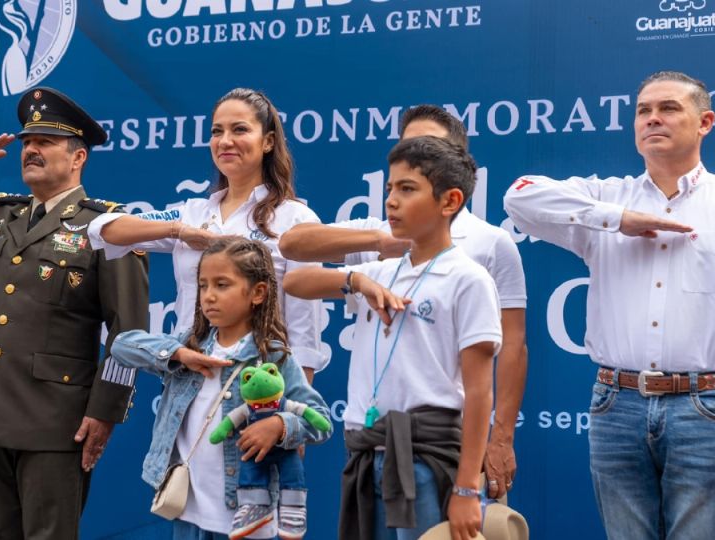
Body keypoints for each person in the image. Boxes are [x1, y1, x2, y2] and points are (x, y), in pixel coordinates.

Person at [0, 87, 150, 539]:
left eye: (45, 142)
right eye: (26, 143)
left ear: (78, 157)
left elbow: (130, 335)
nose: (31, 150)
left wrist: (105, 412)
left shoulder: (107, 227)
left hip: (58, 420)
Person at [503, 71, 715, 539]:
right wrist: (615, 220)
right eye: (643, 110)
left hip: (708, 407)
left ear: (705, 121)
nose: (652, 119)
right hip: (616, 404)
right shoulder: (608, 198)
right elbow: (519, 195)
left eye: (668, 108)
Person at [278, 105, 527, 499]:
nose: (416, 156)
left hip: (438, 443)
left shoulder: (487, 247)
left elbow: (510, 347)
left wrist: (500, 439)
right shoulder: (382, 242)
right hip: (368, 437)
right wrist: (370, 256)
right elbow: (292, 249)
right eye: (408, 147)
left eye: (429, 147)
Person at [86, 88, 326, 380]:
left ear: (268, 141)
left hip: (256, 382)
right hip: (186, 380)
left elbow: (304, 338)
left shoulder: (295, 219)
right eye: (216, 131)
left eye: (240, 129)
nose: (225, 141)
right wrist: (181, 232)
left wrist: (287, 413)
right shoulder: (193, 214)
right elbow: (105, 229)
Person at [111, 237, 331, 540]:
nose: (209, 296)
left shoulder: (273, 357)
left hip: (246, 514)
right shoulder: (191, 345)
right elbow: (122, 347)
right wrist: (178, 355)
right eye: (203, 286)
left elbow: (320, 420)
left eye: (222, 285)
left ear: (257, 293)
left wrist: (280, 424)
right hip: (186, 507)